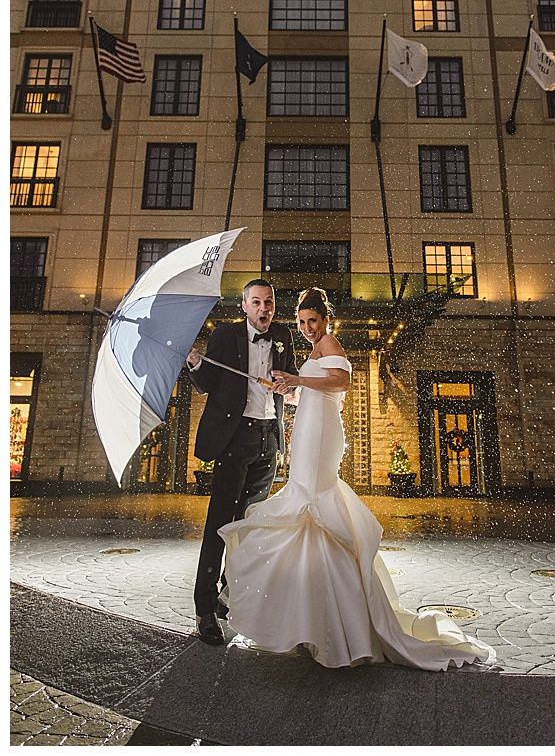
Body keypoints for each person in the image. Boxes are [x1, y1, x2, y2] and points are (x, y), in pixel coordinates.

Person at [217, 288, 495, 670]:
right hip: (310, 426)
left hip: (322, 436)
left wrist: (298, 379)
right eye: (301, 322)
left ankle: (333, 619)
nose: (307, 328)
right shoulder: (315, 350)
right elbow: (317, 393)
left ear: (325, 319)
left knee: (312, 502)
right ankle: (316, 615)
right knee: (306, 508)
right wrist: (286, 389)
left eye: (312, 321)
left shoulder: (330, 342)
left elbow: (340, 384)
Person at [186, 278, 297, 647]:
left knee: (250, 525)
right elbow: (207, 384)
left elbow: (291, 383)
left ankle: (226, 596)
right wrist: (195, 363)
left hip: (269, 438)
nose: (264, 309)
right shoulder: (225, 337)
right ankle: (204, 608)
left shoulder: (282, 336)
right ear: (244, 306)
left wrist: (286, 385)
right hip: (235, 438)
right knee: (220, 523)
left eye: (269, 302)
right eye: (256, 302)